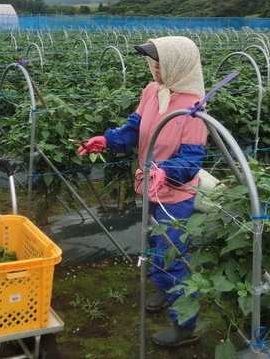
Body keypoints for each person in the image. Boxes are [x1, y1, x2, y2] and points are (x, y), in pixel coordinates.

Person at [78, 36, 207, 348]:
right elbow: (134, 128)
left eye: (161, 63)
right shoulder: (152, 91)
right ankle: (164, 289)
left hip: (175, 195)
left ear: (180, 65)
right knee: (153, 241)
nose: (155, 68)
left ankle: (186, 324)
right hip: (150, 187)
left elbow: (191, 161)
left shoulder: (194, 108)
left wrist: (166, 170)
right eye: (153, 62)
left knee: (172, 253)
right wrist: (107, 141)